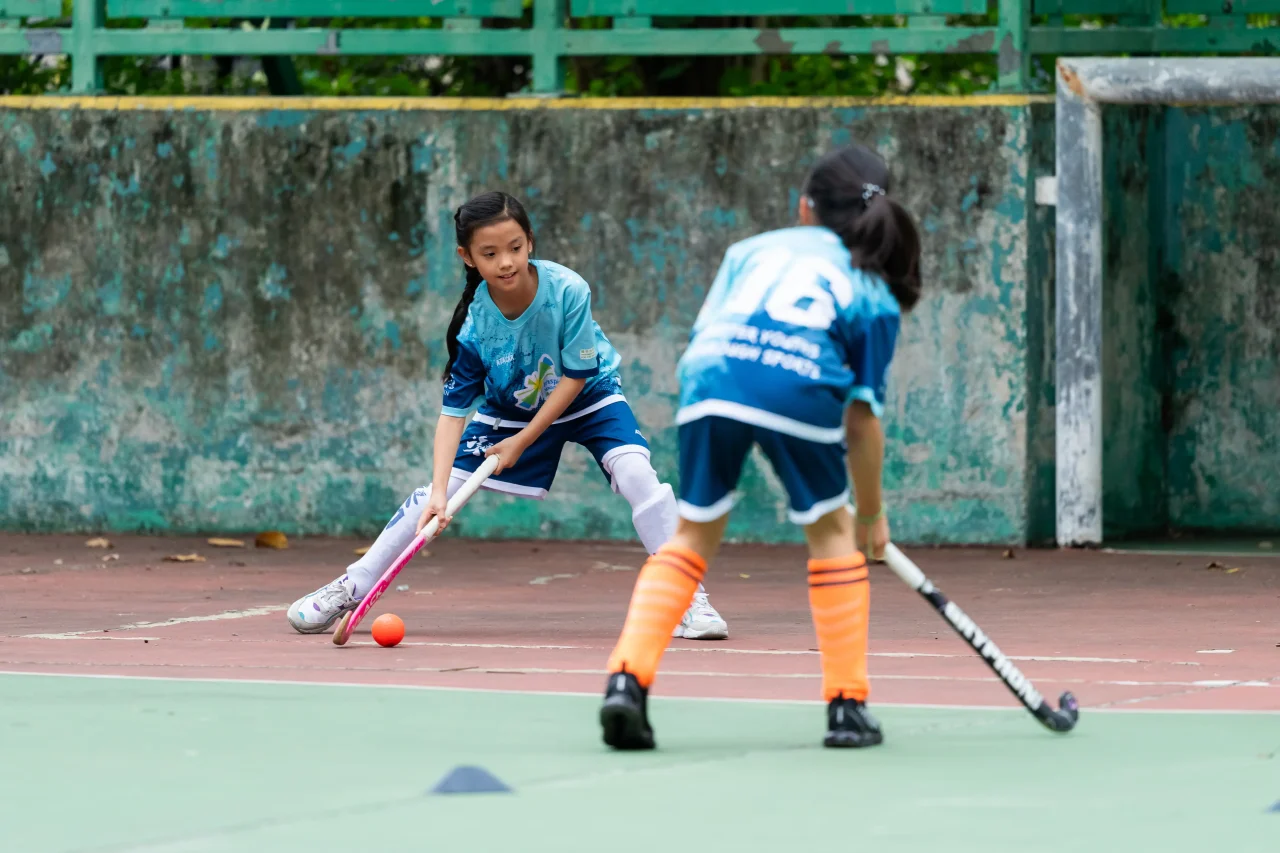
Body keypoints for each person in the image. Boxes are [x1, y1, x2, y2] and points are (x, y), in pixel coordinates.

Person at [287, 191, 728, 641]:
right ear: (467, 257)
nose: (506, 262)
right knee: (430, 499)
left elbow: (577, 376)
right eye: (490, 253)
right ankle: (352, 586)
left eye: (515, 248)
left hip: (587, 396)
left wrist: (523, 442)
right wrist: (440, 492)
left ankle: (687, 595)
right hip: (510, 410)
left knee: (637, 474)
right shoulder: (473, 325)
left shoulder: (568, 291)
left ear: (530, 241)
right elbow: (452, 414)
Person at [598, 143, 921, 750]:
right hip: (797, 381)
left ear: (805, 207)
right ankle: (847, 707)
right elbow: (862, 422)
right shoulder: (874, 291)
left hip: (710, 379)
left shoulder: (748, 251)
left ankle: (626, 683)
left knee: (692, 536)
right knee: (830, 534)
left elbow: (710, 333)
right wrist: (871, 516)